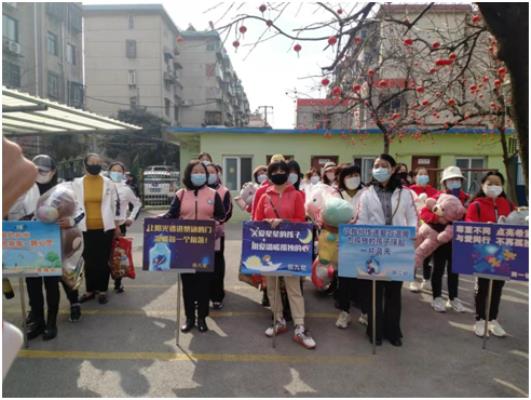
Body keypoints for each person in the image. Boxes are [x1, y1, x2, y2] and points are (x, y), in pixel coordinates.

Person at [11, 155, 85, 340]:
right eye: (36, 170)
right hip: (30, 243)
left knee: (51, 284)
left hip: (55, 243)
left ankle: (51, 322)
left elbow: (80, 210)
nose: (40, 174)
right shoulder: (24, 188)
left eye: (44, 170)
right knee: (32, 285)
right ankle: (38, 321)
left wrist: (71, 220)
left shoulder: (64, 189)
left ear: (53, 171)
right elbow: (13, 211)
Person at [254, 160, 316, 349]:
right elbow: (257, 221)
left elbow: (301, 220)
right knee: (272, 287)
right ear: (270, 175)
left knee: (293, 288)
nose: (279, 173)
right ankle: (278, 319)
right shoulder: (264, 196)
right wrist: (267, 222)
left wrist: (284, 222)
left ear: (288, 174)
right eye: (275, 170)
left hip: (290, 248)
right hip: (269, 248)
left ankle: (299, 326)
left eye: (283, 170)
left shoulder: (296, 195)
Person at [357, 154, 417, 346]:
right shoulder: (367, 194)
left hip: (397, 247)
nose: (379, 169)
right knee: (375, 290)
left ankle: (393, 331)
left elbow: (412, 217)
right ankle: (374, 330)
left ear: (392, 169)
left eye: (384, 165)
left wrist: (412, 235)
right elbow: (362, 220)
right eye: (376, 165)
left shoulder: (405, 193)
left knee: (394, 291)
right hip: (373, 247)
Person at [162, 160, 225, 333]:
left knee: (203, 284)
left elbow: (220, 215)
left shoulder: (213, 194)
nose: (199, 174)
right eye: (195, 171)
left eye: (202, 172)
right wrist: (158, 220)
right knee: (188, 283)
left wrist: (215, 223)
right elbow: (171, 214)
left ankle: (202, 318)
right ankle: (189, 317)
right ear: (189, 174)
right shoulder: (181, 194)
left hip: (205, 246)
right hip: (185, 247)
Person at [465, 171, 514, 337]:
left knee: (498, 287)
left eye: (497, 184)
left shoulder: (508, 204)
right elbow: (469, 223)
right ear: (483, 185)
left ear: (502, 186)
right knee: (482, 286)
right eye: (490, 183)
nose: (494, 187)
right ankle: (480, 319)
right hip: (482, 251)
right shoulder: (476, 205)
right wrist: (484, 226)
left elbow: (517, 222)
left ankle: (492, 319)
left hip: (503, 251)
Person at [72, 153, 120, 305]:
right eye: (92, 162)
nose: (95, 165)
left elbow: (115, 205)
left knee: (102, 260)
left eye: (98, 162)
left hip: (105, 228)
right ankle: (90, 290)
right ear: (85, 164)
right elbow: (73, 205)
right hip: (84, 228)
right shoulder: (77, 183)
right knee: (88, 260)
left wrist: (117, 225)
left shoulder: (108, 183)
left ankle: (103, 290)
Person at [420, 166, 469, 313]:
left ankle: (453, 298)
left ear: (461, 181)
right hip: (440, 239)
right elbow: (424, 214)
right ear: (444, 183)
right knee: (438, 268)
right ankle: (437, 297)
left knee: (455, 270)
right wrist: (439, 218)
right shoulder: (437, 197)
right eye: (450, 180)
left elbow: (469, 217)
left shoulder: (466, 198)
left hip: (457, 239)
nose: (454, 182)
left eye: (457, 179)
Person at [335, 164, 369, 328]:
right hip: (344, 243)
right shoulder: (336, 194)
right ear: (342, 179)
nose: (353, 179)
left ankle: (365, 312)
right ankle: (344, 313)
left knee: (364, 279)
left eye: (356, 175)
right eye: (349, 176)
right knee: (345, 280)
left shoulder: (367, 193)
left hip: (364, 243)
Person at [108, 161, 142, 293]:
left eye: (119, 171)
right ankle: (102, 285)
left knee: (119, 254)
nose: (116, 173)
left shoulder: (126, 189)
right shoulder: (104, 186)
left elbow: (137, 204)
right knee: (105, 255)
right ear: (109, 172)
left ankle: (118, 282)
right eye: (114, 170)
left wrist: (131, 218)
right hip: (105, 226)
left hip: (120, 225)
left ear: (123, 173)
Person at [205, 162, 233, 310]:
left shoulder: (224, 191)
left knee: (216, 266)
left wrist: (215, 222)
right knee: (201, 266)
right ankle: (203, 297)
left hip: (216, 235)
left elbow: (227, 212)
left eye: (212, 172)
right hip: (198, 235)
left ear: (217, 174)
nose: (209, 175)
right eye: (207, 172)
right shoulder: (196, 191)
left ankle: (217, 297)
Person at [408, 167, 439, 292]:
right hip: (414, 226)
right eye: (420, 174)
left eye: (426, 174)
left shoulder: (434, 191)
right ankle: (412, 279)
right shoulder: (409, 191)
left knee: (427, 253)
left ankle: (426, 279)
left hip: (429, 226)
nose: (423, 176)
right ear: (415, 177)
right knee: (414, 252)